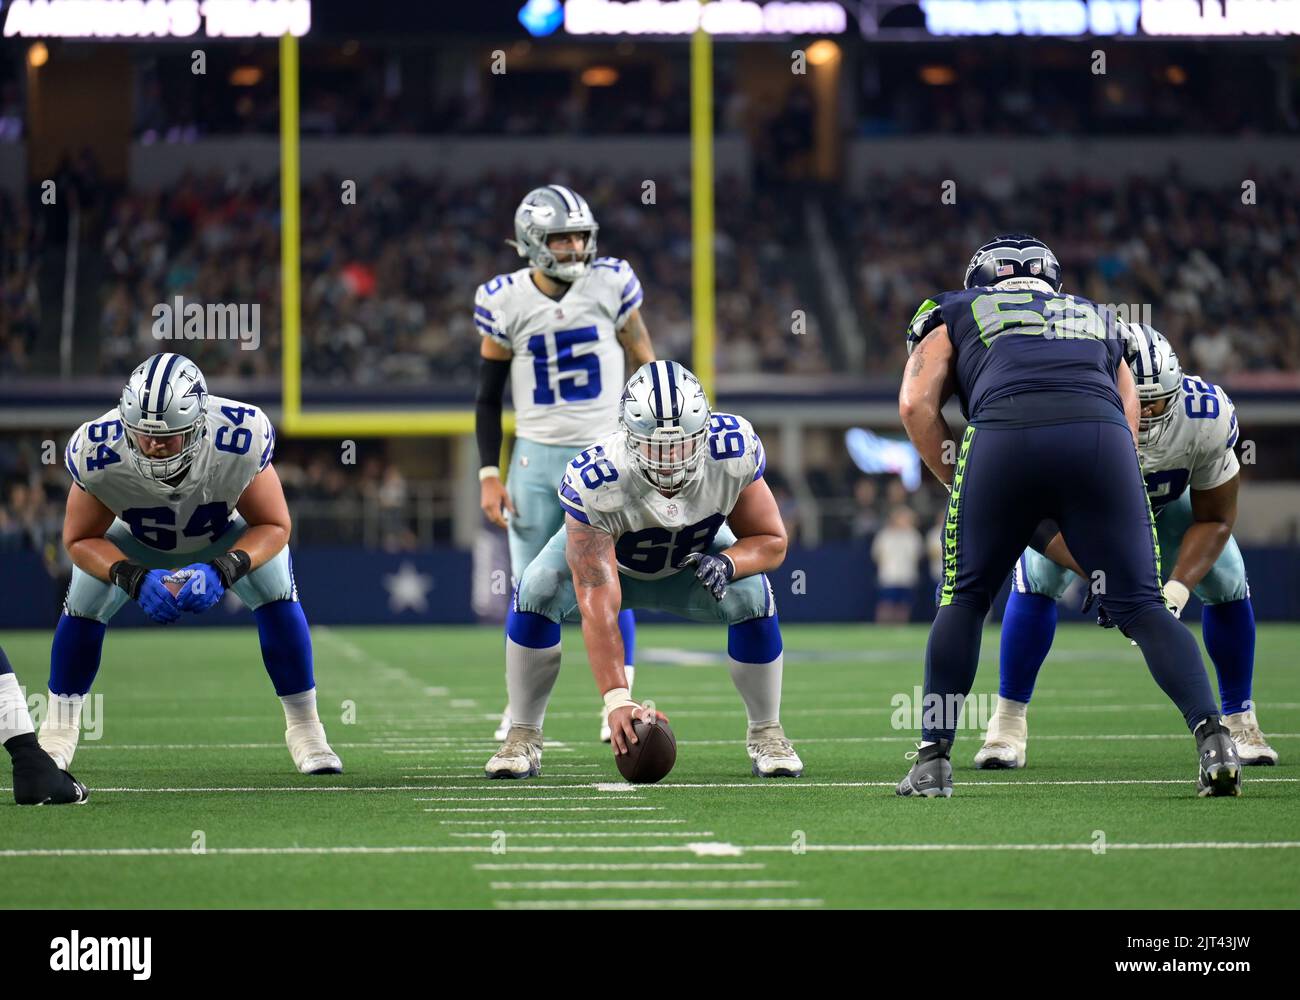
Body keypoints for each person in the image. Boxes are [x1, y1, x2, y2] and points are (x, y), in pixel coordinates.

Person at [895, 234, 1239, 798]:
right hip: (1102, 440)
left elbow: (915, 404)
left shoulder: (952, 309)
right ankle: (1214, 738)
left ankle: (933, 758)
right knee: (1146, 607)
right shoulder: (1098, 316)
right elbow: (1127, 418)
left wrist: (958, 476)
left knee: (965, 599)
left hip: (1002, 434)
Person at [484, 361, 803, 780]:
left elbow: (771, 540)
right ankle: (522, 733)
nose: (670, 458)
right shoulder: (599, 476)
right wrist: (617, 699)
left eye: (682, 444)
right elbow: (598, 598)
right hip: (615, 568)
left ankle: (767, 731)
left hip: (691, 564)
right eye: (655, 446)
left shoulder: (731, 451)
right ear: (627, 437)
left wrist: (728, 562)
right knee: (538, 586)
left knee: (752, 594)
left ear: (704, 433)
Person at [979, 323, 1275, 768]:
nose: (1150, 415)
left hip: (1167, 507)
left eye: (1159, 402)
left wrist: (1173, 592)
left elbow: (1215, 517)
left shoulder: (1204, 415)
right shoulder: (1057, 412)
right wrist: (1098, 575)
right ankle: (1007, 724)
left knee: (1229, 577)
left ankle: (1239, 718)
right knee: (1038, 575)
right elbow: (1034, 518)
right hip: (1080, 513)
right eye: (1139, 401)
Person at [40, 352, 342, 776]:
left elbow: (275, 525)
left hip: (223, 533)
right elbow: (79, 539)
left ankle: (306, 729)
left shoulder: (238, 436)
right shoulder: (98, 449)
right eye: (143, 436)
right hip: (136, 540)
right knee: (84, 600)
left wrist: (224, 568)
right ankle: (56, 735)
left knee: (276, 590)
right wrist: (131, 575)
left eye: (169, 437)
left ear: (200, 426)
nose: (154, 446)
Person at [475, 184, 655, 743]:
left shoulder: (611, 282)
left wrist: (643, 441)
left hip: (606, 453)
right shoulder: (504, 299)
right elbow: (488, 396)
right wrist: (489, 473)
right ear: (532, 242)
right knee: (533, 588)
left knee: (610, 575)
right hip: (533, 458)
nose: (577, 246)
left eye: (581, 235)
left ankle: (616, 699)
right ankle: (522, 712)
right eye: (563, 237)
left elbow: (643, 359)